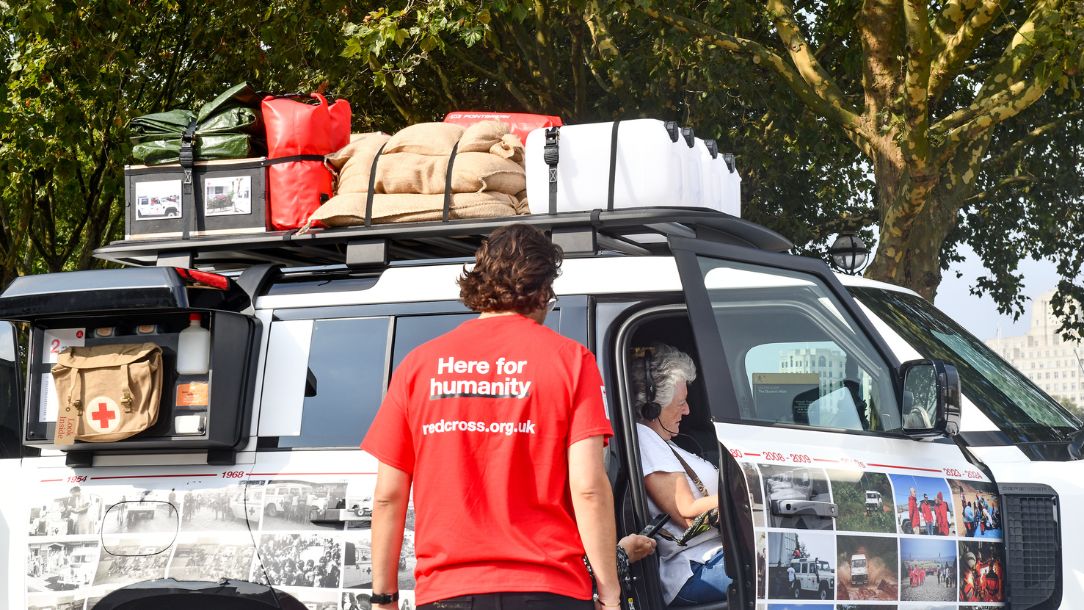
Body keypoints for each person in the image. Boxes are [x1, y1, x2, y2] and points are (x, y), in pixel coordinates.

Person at [361, 224, 620, 610]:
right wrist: (609, 593)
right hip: (548, 586)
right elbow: (588, 488)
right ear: (542, 288)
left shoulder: (419, 365)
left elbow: (388, 496)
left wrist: (384, 598)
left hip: (448, 591)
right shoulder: (571, 361)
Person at [632, 344, 731, 606]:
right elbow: (688, 515)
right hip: (695, 567)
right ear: (652, 408)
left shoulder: (663, 443)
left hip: (714, 555)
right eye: (680, 403)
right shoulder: (645, 440)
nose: (687, 410)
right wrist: (746, 496)